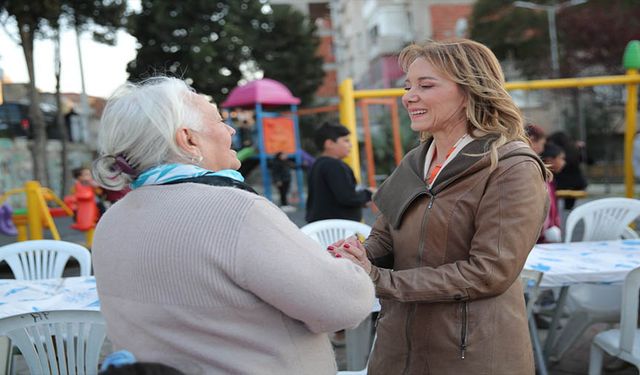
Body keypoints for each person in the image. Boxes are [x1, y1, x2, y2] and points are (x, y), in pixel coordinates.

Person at [91, 77, 375, 374]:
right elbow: (343, 305)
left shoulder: (112, 219)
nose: (231, 130)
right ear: (188, 140)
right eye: (219, 120)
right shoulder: (234, 211)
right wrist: (357, 268)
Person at [330, 39, 549, 374]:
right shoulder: (416, 161)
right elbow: (386, 237)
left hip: (469, 354)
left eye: (425, 85)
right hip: (397, 347)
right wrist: (356, 256)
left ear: (470, 91)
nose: (408, 96)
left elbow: (488, 272)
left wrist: (380, 280)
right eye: (407, 86)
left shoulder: (511, 167)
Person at [305, 121, 373, 223]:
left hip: (322, 224)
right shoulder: (334, 165)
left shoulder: (317, 164)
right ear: (330, 144)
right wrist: (369, 194)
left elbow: (334, 196)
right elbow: (347, 197)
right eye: (346, 141)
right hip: (338, 229)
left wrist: (361, 200)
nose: (350, 145)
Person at [547, 131, 588, 210]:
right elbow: (590, 161)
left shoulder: (554, 152)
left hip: (559, 185)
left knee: (553, 203)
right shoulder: (574, 150)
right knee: (568, 207)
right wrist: (582, 149)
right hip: (576, 185)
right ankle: (567, 212)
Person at [538, 142, 566, 243]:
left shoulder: (550, 181)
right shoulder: (544, 182)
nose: (564, 162)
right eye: (561, 158)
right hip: (543, 238)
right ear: (550, 160)